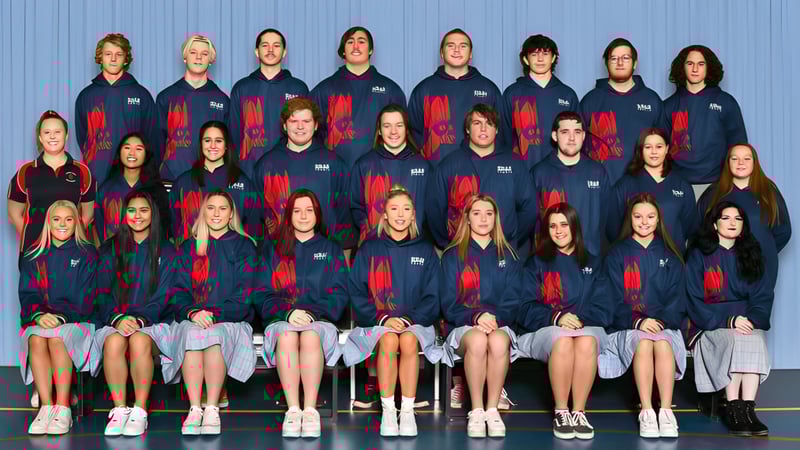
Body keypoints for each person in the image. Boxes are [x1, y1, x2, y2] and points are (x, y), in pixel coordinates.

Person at [346, 186, 442, 437]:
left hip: (415, 322)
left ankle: (407, 411)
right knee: (389, 340)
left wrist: (409, 319)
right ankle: (389, 411)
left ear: (413, 215)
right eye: (394, 209)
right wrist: (383, 318)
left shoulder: (425, 250)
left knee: (408, 340)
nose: (400, 214)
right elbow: (356, 291)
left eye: (406, 209)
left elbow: (433, 295)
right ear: (385, 215)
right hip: (377, 322)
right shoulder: (369, 249)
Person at [165, 191, 259, 435]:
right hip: (193, 317)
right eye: (211, 208)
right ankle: (195, 408)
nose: (216, 213)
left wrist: (214, 315)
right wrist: (193, 312)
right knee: (192, 335)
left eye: (223, 208)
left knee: (213, 336)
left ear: (231, 214)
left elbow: (246, 293)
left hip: (230, 318)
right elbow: (177, 290)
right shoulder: (189, 247)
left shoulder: (244, 246)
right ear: (203, 213)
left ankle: (212, 407)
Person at [258, 189, 349, 438]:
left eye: (309, 210)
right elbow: (261, 292)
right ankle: (293, 410)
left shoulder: (331, 249)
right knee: (287, 336)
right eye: (297, 211)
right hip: (282, 320)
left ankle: (310, 410)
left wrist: (311, 314)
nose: (304, 216)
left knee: (309, 336)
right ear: (289, 215)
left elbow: (340, 293)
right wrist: (287, 313)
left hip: (319, 321)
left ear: (317, 214)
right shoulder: (272, 249)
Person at [518, 203, 612, 440]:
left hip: (586, 327)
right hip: (547, 329)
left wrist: (579, 320)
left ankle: (578, 412)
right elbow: (524, 308)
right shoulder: (536, 263)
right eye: (552, 226)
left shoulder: (593, 262)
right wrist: (556, 317)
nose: (558, 231)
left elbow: (605, 308)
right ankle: (561, 411)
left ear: (574, 227)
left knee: (586, 341)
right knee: (562, 341)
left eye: (564, 224)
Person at [599, 193, 686, 439]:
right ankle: (647, 411)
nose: (644, 222)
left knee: (663, 344)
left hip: (663, 326)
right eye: (638, 216)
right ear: (630, 219)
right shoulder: (616, 255)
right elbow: (610, 298)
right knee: (644, 343)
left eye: (650, 217)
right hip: (628, 326)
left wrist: (660, 322)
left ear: (658, 220)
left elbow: (677, 298)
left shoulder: (670, 255)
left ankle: (666, 411)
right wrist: (637, 321)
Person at [91, 191, 177, 436]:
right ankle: (120, 409)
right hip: (116, 321)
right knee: (113, 343)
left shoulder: (167, 250)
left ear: (153, 214)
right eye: (131, 210)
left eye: (144, 210)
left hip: (153, 322)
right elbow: (101, 291)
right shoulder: (110, 248)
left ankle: (140, 410)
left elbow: (166, 294)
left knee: (139, 341)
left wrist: (141, 319)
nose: (137, 216)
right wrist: (117, 318)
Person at [685, 201, 772, 436]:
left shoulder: (752, 255)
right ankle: (733, 407)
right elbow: (693, 298)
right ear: (715, 224)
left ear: (743, 225)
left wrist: (752, 320)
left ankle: (748, 409)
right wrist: (728, 320)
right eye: (726, 218)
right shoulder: (699, 255)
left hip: (745, 321)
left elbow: (763, 295)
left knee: (754, 339)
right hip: (710, 322)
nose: (732, 223)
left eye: (738, 219)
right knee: (733, 340)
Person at [441, 194, 521, 438]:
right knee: (477, 340)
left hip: (498, 324)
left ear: (496, 218)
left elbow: (514, 299)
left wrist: (494, 319)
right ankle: (476, 410)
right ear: (467, 218)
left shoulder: (508, 254)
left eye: (489, 213)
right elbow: (447, 303)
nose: (483, 219)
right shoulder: (453, 255)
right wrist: (475, 317)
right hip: (463, 325)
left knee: (497, 341)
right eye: (476, 213)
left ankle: (492, 409)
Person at [18, 200, 97, 435]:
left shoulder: (87, 253)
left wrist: (61, 317)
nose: (62, 224)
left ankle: (63, 408)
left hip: (77, 320)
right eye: (56, 219)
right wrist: (38, 314)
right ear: (48, 223)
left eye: (68, 219)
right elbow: (28, 293)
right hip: (43, 319)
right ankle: (46, 406)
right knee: (35, 339)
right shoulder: (33, 254)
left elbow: (88, 298)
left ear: (76, 223)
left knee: (56, 338)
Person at [427, 104, 537, 250]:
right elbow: (434, 209)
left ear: (496, 129)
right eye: (477, 123)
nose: (483, 129)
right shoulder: (450, 164)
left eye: (489, 123)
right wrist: (447, 244)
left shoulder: (514, 163)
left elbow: (530, 208)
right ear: (467, 129)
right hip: (461, 251)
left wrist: (511, 240)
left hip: (502, 250)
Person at [252, 97, 353, 247]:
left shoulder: (334, 163)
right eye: (294, 121)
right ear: (284, 125)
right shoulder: (266, 164)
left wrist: (344, 249)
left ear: (316, 125)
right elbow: (256, 213)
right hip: (278, 252)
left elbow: (344, 213)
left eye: (306, 121)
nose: (300, 127)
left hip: (325, 251)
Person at [697, 144, 791, 290]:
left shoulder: (768, 191)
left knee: (758, 304)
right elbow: (698, 229)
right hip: (721, 268)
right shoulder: (713, 193)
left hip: (760, 268)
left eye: (747, 159)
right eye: (735, 159)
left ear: (755, 162)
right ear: (728, 162)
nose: (741, 163)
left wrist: (762, 252)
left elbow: (783, 231)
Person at [310, 26, 406, 168]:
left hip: (379, 171)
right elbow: (309, 133)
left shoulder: (390, 89)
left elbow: (402, 135)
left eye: (361, 41)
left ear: (371, 50)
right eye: (350, 42)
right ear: (343, 50)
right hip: (335, 171)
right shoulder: (324, 90)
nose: (355, 46)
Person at [408, 28, 503, 165]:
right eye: (450, 45)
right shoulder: (424, 89)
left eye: (463, 46)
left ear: (471, 54)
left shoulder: (488, 89)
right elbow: (413, 134)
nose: (457, 50)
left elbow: (500, 134)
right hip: (434, 171)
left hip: (479, 170)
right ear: (441, 53)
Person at [75, 33, 157, 187]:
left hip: (132, 177)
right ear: (100, 57)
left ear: (126, 59)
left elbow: (151, 136)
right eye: (108, 54)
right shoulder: (86, 96)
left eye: (119, 54)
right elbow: (83, 137)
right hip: (97, 175)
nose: (113, 59)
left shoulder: (141, 94)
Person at [8, 111, 95, 254]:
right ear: (40, 138)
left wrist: (68, 235)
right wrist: (32, 237)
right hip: (34, 252)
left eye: (57, 132)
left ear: (66, 136)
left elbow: (88, 215)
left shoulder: (82, 171)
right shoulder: (26, 171)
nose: (52, 136)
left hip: (71, 252)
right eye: (47, 132)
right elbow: (14, 214)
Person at [579, 38, 664, 184]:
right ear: (607, 63)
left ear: (635, 63)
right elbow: (577, 146)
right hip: (600, 185)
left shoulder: (652, 100)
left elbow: (664, 146)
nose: (619, 63)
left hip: (642, 187)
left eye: (625, 58)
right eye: (614, 58)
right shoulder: (590, 100)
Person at [230, 28, 309, 179]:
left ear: (284, 52)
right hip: (248, 171)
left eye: (276, 45)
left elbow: (307, 132)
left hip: (289, 171)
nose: (270, 50)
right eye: (265, 45)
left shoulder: (298, 88)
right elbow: (234, 133)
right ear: (257, 52)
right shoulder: (242, 88)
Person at [664, 45, 747, 185]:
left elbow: (739, 146)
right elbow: (659, 149)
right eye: (690, 64)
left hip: (717, 184)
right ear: (682, 67)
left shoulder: (726, 102)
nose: (695, 69)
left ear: (709, 67)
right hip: (678, 184)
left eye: (701, 64)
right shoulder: (669, 106)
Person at [532, 111, 611, 256]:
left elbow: (604, 220)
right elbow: (532, 220)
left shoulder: (598, 172)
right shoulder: (539, 173)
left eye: (577, 132)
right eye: (565, 132)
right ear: (555, 136)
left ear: (583, 136)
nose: (572, 138)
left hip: (589, 257)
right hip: (551, 260)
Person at [170, 121, 261, 244]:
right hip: (192, 253)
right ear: (201, 144)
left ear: (226, 145)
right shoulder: (183, 183)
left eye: (218, 141)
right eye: (207, 140)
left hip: (232, 253)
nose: (213, 146)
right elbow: (174, 226)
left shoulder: (242, 182)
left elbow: (254, 225)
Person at [608, 128, 698, 253]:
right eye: (648, 147)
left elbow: (689, 226)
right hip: (635, 257)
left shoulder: (682, 185)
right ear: (641, 150)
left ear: (667, 149)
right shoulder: (626, 184)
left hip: (673, 256)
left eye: (659, 147)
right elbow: (612, 226)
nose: (654, 152)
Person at [350, 104, 431, 243]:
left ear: (407, 129)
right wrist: (371, 231)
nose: (393, 131)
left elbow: (431, 209)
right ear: (379, 130)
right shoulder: (364, 165)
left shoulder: (422, 165)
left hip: (414, 243)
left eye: (399, 125)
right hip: (375, 244)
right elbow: (356, 206)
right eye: (387, 126)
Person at [156, 35, 229, 182]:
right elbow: (156, 142)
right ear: (185, 57)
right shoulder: (166, 97)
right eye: (193, 52)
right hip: (171, 179)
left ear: (211, 60)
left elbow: (228, 146)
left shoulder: (222, 100)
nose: (198, 57)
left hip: (209, 180)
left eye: (204, 54)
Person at [502, 34, 580, 169]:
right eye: (534, 54)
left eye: (545, 54)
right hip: (521, 173)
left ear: (553, 58)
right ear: (526, 59)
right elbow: (504, 137)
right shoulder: (512, 93)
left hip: (560, 174)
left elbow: (577, 139)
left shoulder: (568, 95)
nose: (540, 59)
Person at [95, 132, 170, 243]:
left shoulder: (157, 190)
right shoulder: (105, 190)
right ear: (119, 152)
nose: (132, 153)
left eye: (138, 149)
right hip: (113, 251)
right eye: (127, 148)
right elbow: (99, 228)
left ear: (146, 155)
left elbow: (164, 229)